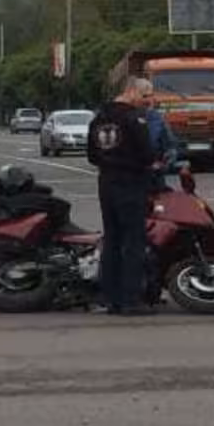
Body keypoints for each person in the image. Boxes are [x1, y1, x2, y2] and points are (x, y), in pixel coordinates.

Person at [86, 77, 155, 316]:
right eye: (146, 95)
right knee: (133, 242)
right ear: (132, 91)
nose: (148, 101)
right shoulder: (134, 119)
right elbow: (147, 154)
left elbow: (91, 156)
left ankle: (109, 297)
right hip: (131, 183)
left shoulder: (98, 119)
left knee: (112, 240)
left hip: (106, 182)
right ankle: (130, 299)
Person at [147, 99, 178, 191]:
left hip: (153, 176)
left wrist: (163, 164)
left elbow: (170, 147)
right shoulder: (157, 119)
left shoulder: (157, 119)